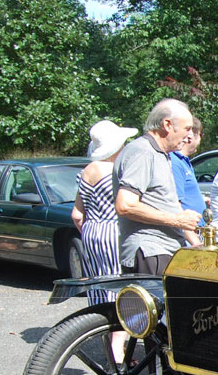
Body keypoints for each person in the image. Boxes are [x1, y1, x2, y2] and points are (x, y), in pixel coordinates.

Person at [72, 119, 137, 360]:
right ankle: (118, 359)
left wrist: (91, 232)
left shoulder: (86, 171)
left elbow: (77, 214)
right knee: (119, 293)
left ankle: (109, 350)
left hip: (91, 231)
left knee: (99, 291)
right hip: (114, 231)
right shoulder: (114, 172)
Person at [114, 98, 202, 275]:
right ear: (167, 124)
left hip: (163, 251)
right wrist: (176, 220)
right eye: (187, 128)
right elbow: (125, 205)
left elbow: (167, 201)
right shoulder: (143, 151)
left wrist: (196, 242)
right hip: (150, 251)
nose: (189, 136)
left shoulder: (161, 154)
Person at [170, 116, 207, 246]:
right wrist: (195, 242)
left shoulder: (183, 161)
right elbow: (176, 205)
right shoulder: (175, 162)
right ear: (191, 137)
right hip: (188, 236)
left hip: (197, 231)